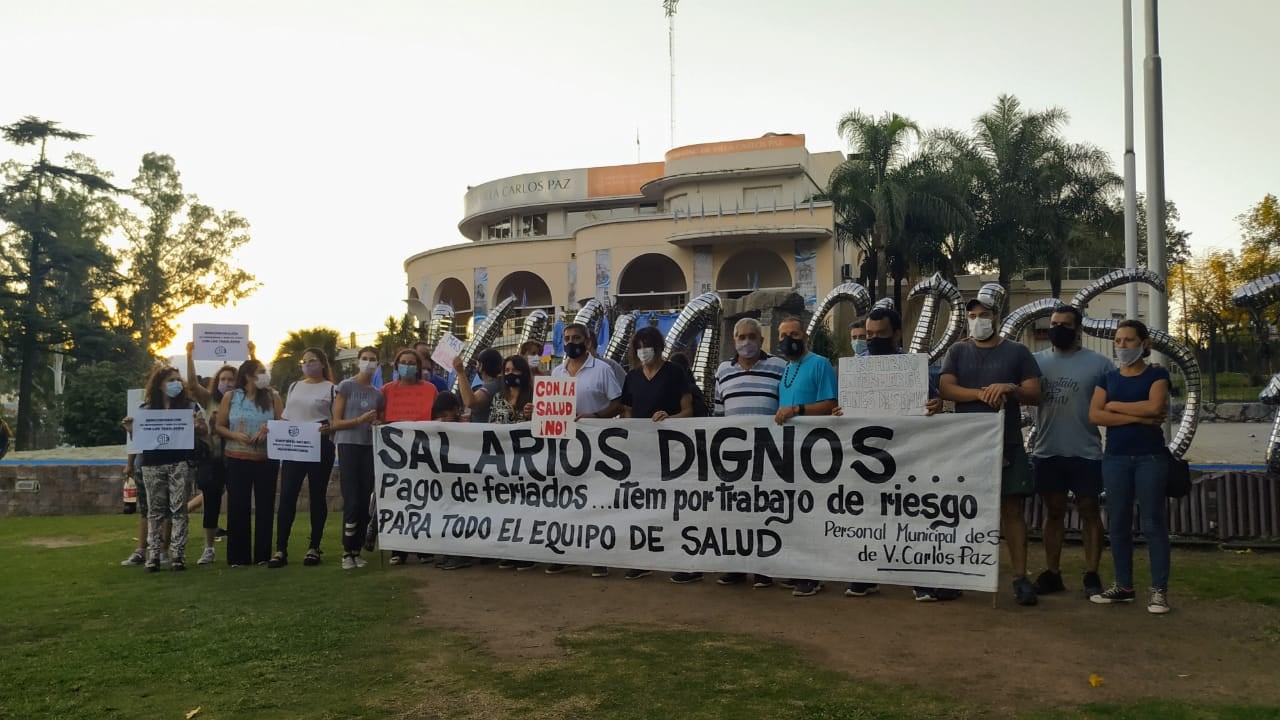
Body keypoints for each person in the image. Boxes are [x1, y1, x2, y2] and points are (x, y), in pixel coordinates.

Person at [834, 306, 951, 602]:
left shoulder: (916, 367)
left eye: (880, 334)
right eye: (869, 335)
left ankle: (920, 578)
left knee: (912, 516)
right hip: (868, 458)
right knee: (866, 516)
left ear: (897, 334)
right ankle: (866, 575)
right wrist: (840, 412)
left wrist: (936, 406)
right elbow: (845, 410)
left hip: (909, 455)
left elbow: (934, 402)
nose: (872, 340)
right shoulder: (855, 368)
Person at [939, 287, 1042, 606]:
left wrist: (1009, 388)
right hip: (967, 444)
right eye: (972, 316)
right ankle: (959, 575)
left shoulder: (1017, 352)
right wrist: (982, 394)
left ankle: (1020, 578)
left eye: (983, 315)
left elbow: (1035, 392)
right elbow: (946, 388)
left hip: (1007, 443)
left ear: (996, 317)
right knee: (963, 512)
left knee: (1012, 510)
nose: (977, 321)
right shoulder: (957, 351)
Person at [1088, 320, 1172, 614]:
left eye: (1128, 340)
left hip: (1150, 458)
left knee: (1152, 524)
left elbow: (1155, 407)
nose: (1122, 346)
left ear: (1144, 343)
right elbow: (1095, 415)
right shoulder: (1108, 378)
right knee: (1119, 524)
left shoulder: (1158, 374)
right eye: (1118, 340)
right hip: (1115, 459)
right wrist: (1139, 416)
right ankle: (1124, 586)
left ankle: (1159, 591)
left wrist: (1115, 406)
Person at [1030, 305, 1113, 599]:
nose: (1057, 328)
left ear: (1078, 330)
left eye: (1065, 324)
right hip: (1048, 450)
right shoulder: (1034, 361)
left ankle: (1092, 573)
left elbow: (1115, 402)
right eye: (1054, 323)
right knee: (1053, 512)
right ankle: (1052, 573)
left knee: (1090, 511)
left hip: (1086, 451)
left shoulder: (1100, 365)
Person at [543, 322, 622, 576]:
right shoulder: (556, 373)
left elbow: (618, 403)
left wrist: (595, 416)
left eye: (576, 337)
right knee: (565, 499)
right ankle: (564, 551)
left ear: (587, 341)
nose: (570, 342)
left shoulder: (603, 370)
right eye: (566, 338)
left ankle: (599, 555)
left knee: (597, 501)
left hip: (598, 448)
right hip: (565, 449)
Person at [713, 317, 787, 588]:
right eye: (741, 337)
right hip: (733, 456)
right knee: (734, 512)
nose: (746, 342)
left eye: (752, 337)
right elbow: (718, 413)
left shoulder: (779, 367)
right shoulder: (723, 370)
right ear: (734, 341)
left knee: (766, 510)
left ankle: (764, 567)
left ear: (761, 340)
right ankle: (735, 566)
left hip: (770, 454)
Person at [619, 327, 696, 582]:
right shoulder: (632, 377)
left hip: (673, 450)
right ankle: (644, 559)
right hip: (641, 451)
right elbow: (626, 409)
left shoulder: (675, 373)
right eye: (639, 346)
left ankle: (684, 561)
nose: (643, 350)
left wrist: (669, 418)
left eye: (647, 345)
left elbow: (688, 411)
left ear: (659, 346)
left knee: (675, 505)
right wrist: (632, 427)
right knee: (642, 505)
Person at [773, 316, 839, 598]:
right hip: (789, 451)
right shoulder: (785, 369)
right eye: (785, 334)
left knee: (812, 512)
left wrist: (797, 410)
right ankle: (798, 567)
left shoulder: (820, 364)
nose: (790, 338)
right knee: (793, 512)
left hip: (815, 450)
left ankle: (813, 574)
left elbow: (831, 403)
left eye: (795, 333)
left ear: (805, 336)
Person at [128, 366, 208, 572]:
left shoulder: (190, 406)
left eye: (178, 380)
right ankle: (153, 555)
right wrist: (130, 429)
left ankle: (177, 555)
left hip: (180, 462)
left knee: (179, 510)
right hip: (152, 464)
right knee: (155, 511)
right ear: (159, 385)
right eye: (171, 380)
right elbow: (138, 438)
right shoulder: (145, 409)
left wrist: (198, 426)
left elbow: (205, 431)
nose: (176, 384)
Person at [216, 359, 283, 567]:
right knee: (238, 507)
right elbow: (219, 426)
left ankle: (263, 555)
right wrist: (235, 435)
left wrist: (268, 428)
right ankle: (238, 557)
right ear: (248, 376)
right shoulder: (231, 397)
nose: (265, 375)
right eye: (261, 372)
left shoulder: (273, 397)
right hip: (237, 459)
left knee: (265, 506)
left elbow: (283, 422)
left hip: (266, 459)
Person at [274, 348, 338, 568]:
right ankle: (281, 548)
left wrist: (329, 429)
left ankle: (314, 546)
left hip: (320, 443)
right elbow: (287, 417)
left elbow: (336, 420)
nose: (308, 365)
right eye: (305, 361)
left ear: (322, 364)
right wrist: (273, 429)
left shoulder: (331, 389)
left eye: (313, 361)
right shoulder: (294, 387)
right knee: (288, 495)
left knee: (317, 495)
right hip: (295, 444)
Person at [330, 347, 385, 570]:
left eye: (373, 360)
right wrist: (359, 420)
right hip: (348, 445)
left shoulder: (377, 394)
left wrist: (375, 423)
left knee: (364, 500)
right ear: (357, 362)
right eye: (365, 359)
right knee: (351, 499)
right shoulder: (346, 386)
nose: (368, 363)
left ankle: (357, 549)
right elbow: (335, 422)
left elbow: (378, 419)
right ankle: (347, 550)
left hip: (368, 447)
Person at [382, 347, 438, 566]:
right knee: (397, 499)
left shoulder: (430, 389)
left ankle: (423, 547)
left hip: (422, 451)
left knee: (423, 498)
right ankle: (399, 548)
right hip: (394, 454)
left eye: (411, 362)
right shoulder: (386, 390)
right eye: (403, 362)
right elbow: (380, 417)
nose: (407, 365)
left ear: (418, 367)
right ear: (396, 366)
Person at [490, 355, 537, 571]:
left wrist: (534, 414)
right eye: (506, 370)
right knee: (507, 507)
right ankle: (510, 551)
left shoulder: (535, 396)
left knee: (527, 508)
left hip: (530, 461)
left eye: (515, 370)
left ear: (524, 373)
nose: (510, 374)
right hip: (504, 462)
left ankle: (528, 553)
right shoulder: (498, 398)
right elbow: (491, 427)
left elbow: (548, 425)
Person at [195, 364, 237, 565]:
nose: (227, 383)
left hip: (236, 457)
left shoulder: (241, 401)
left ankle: (237, 545)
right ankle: (209, 548)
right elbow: (193, 386)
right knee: (211, 504)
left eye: (231, 380)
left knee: (237, 503)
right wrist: (189, 355)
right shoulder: (210, 400)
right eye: (223, 379)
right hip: (213, 460)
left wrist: (253, 355)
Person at [454, 348, 503, 423]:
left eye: (477, 364)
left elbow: (471, 402)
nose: (476, 367)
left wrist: (460, 371)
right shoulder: (497, 384)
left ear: (481, 366)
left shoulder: (492, 386)